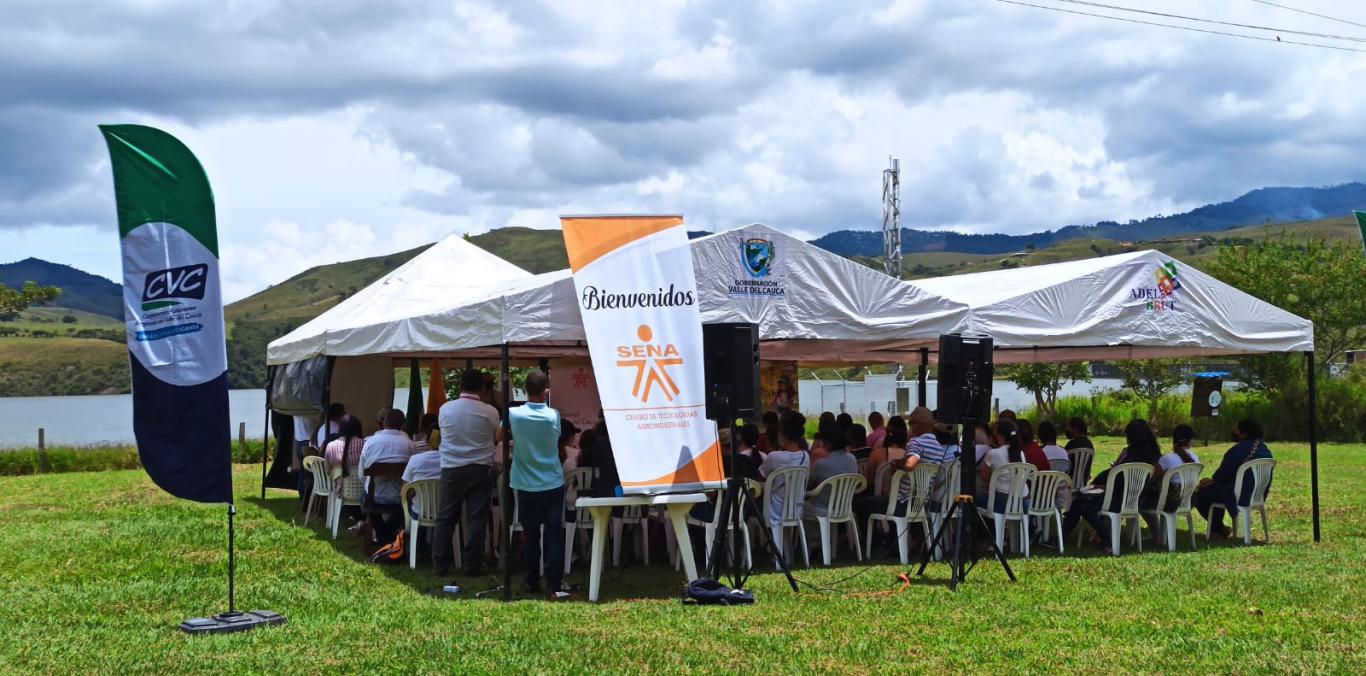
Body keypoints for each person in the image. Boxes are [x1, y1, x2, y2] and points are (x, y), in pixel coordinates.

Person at [432, 369, 502, 578]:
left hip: (452, 468)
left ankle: (440, 564)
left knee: (446, 517)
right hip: (481, 468)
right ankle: (473, 564)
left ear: (460, 386)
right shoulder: (490, 411)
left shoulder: (445, 409)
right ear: (481, 388)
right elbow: (495, 437)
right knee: (477, 518)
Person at [506, 370, 568, 599]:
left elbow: (499, 432)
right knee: (553, 534)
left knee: (531, 536)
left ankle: (532, 579)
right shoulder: (553, 416)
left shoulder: (513, 414)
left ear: (525, 389)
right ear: (546, 392)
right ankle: (554, 584)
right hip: (552, 482)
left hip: (525, 484)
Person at [1061, 419, 1161, 553]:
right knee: (1081, 503)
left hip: (1116, 497)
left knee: (1081, 504)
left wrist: (1101, 487)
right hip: (1135, 499)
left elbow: (1117, 477)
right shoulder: (1152, 453)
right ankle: (1064, 539)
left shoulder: (1129, 454)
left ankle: (1105, 539)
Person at [1195, 419, 1272, 539]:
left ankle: (1217, 528)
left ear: (1244, 433)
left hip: (1239, 494)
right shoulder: (1265, 449)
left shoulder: (1239, 450)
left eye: (1236, 429)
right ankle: (1218, 529)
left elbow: (1225, 472)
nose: (1234, 431)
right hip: (1257, 494)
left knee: (1202, 493)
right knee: (1213, 490)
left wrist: (1212, 480)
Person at [360, 408, 416, 543]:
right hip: (400, 497)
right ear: (402, 425)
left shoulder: (370, 443)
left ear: (384, 423)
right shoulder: (409, 444)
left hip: (374, 496)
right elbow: (413, 474)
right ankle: (387, 535)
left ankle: (382, 535)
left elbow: (362, 474)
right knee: (407, 505)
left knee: (363, 498)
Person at [758, 414, 811, 527]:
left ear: (783, 436)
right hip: (796, 511)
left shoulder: (774, 456)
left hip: (774, 511)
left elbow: (760, 475)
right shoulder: (805, 456)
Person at [977, 419, 1029, 514]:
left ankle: (992, 528)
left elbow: (983, 477)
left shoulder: (993, 453)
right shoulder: (1021, 453)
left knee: (976, 501)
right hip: (1023, 503)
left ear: (1000, 436)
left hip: (1003, 503)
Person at [805, 427, 857, 517]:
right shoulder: (852, 458)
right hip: (844, 507)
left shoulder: (821, 463)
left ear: (828, 444)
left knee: (797, 506)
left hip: (821, 507)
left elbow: (807, 485)